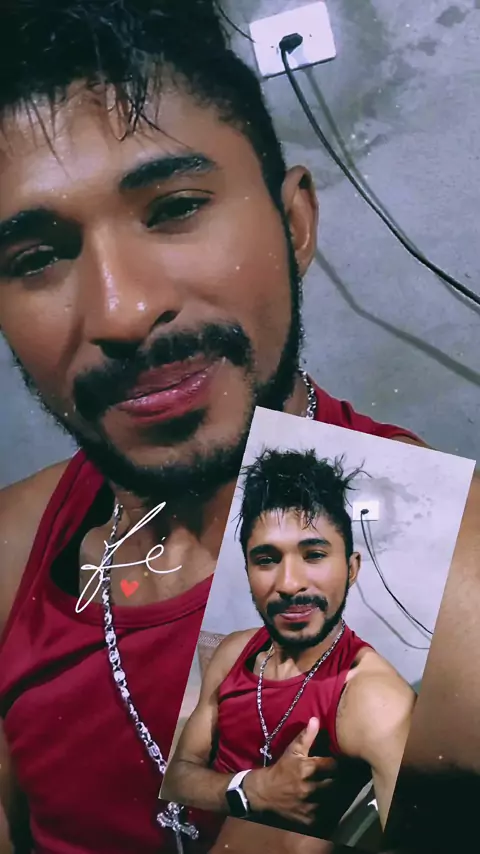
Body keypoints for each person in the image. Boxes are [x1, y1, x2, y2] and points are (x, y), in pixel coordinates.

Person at [0, 1, 477, 853]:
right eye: (36, 258)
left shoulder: (450, 582)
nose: (121, 311)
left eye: (174, 208)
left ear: (295, 225)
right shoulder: (16, 550)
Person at [163, 450, 416, 839]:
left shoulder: (373, 698)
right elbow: (178, 776)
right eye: (266, 559)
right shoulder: (234, 652)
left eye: (314, 555)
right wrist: (256, 789)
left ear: (351, 569)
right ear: (248, 570)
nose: (289, 583)